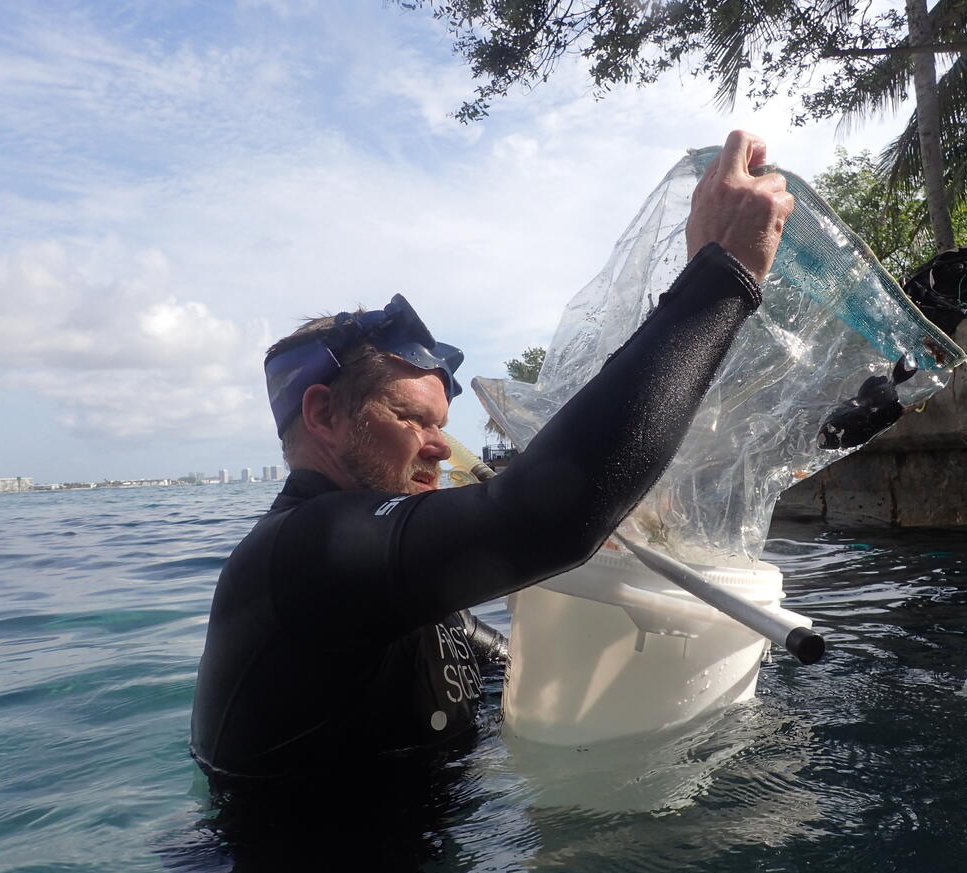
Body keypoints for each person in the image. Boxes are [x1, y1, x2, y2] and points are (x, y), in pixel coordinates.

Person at [190, 129, 794, 789]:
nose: (437, 445)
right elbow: (539, 519)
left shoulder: (405, 591)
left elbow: (532, 659)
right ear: (323, 416)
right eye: (409, 418)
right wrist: (723, 274)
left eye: (441, 424)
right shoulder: (304, 555)